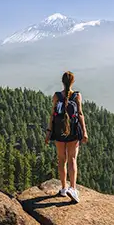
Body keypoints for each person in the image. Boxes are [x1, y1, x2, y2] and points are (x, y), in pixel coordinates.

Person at [45, 71, 88, 203]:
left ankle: (64, 188)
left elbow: (52, 115)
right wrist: (85, 132)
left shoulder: (57, 96)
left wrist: (48, 132)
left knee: (61, 159)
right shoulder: (77, 95)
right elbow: (80, 114)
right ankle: (73, 188)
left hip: (59, 132)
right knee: (72, 159)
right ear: (72, 82)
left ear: (62, 82)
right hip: (73, 131)